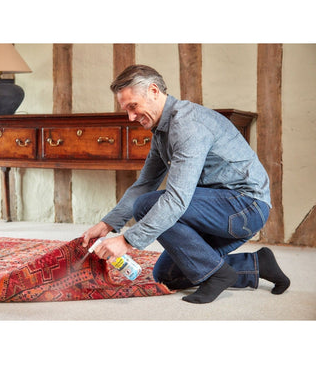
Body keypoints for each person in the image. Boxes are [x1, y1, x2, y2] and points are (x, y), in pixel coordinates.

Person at [82, 65, 290, 304]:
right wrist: (106, 224)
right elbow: (145, 184)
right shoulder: (162, 131)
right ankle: (257, 264)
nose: (130, 117)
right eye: (126, 110)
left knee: (147, 205)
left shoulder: (187, 125)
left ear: (153, 91)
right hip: (216, 211)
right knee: (168, 275)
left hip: (245, 208)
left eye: (133, 106)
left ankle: (217, 275)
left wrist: (127, 241)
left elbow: (177, 199)